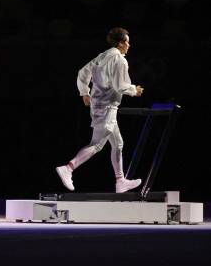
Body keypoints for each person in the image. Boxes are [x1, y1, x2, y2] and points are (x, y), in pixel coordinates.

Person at [56, 28, 145, 193]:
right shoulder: (119, 60)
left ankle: (120, 181)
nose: (129, 45)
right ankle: (68, 168)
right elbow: (120, 86)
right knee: (97, 144)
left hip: (100, 106)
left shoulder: (102, 56)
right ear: (120, 43)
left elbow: (82, 73)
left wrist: (84, 93)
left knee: (118, 144)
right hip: (107, 108)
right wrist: (134, 90)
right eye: (126, 41)